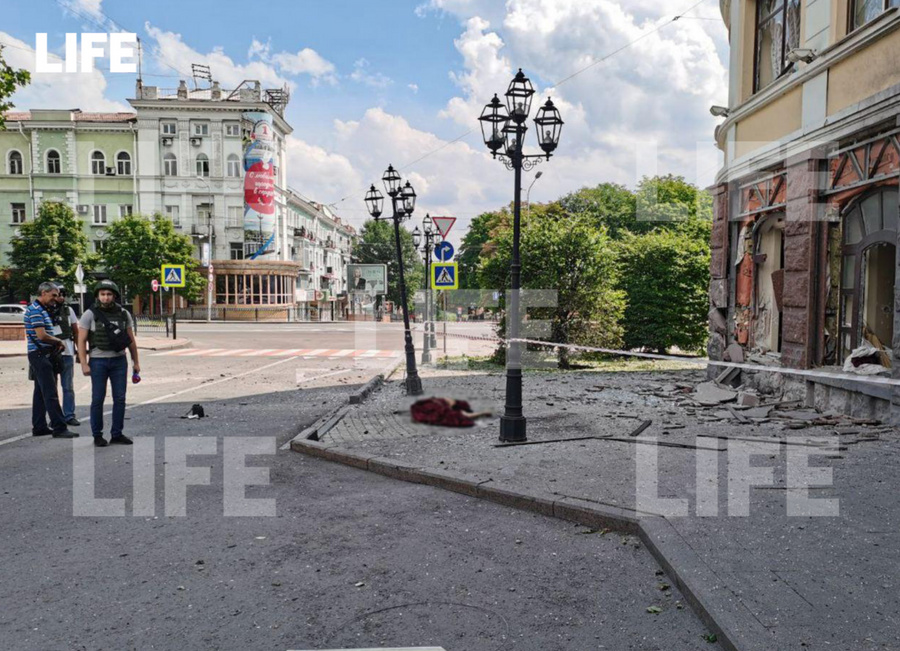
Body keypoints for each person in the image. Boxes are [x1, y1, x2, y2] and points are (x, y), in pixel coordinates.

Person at [77, 280, 140, 447]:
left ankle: (117, 434)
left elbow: (130, 339)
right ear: (98, 295)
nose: (106, 297)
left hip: (119, 361)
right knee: (98, 399)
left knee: (120, 398)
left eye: (109, 294)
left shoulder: (123, 313)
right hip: (98, 361)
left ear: (114, 296)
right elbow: (81, 340)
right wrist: (84, 363)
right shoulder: (89, 314)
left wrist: (136, 362)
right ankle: (97, 435)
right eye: (102, 294)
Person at [24, 282, 76, 438]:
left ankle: (39, 426)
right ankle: (60, 427)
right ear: (44, 293)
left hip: (43, 354)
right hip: (40, 355)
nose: (56, 298)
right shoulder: (35, 311)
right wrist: (58, 342)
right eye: (53, 295)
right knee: (50, 392)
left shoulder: (42, 310)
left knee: (40, 392)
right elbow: (42, 335)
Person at [51, 283, 80, 426]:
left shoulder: (69, 310)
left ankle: (69, 415)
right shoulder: (46, 311)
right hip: (51, 353)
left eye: (63, 295)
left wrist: (80, 351)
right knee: (52, 387)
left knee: (67, 386)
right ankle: (55, 418)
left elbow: (76, 331)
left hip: (67, 352)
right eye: (57, 295)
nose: (61, 298)